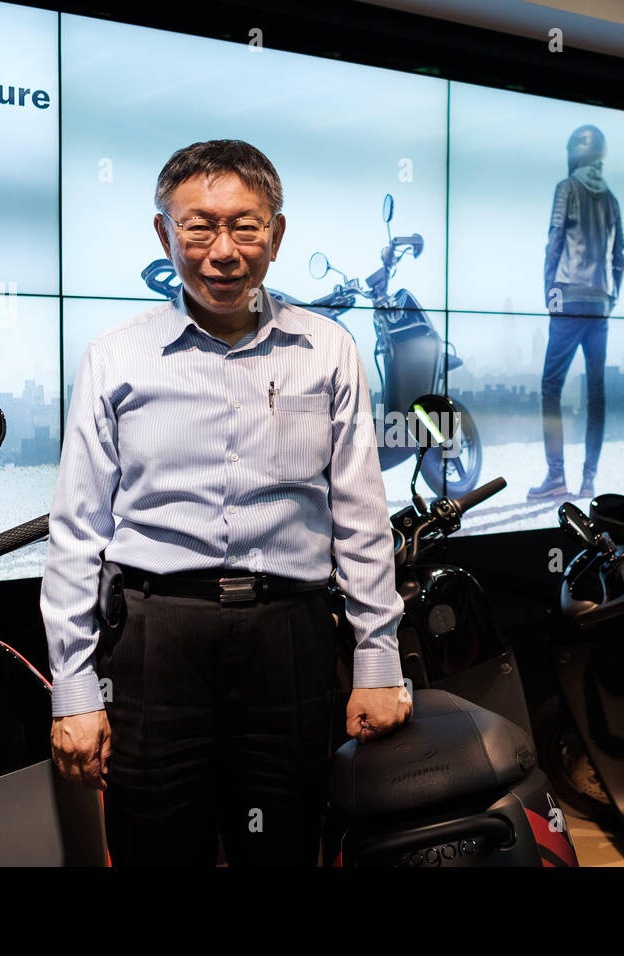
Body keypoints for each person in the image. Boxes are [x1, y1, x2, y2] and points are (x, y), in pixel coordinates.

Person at [40, 139, 411, 867]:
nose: (223, 250)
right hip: (154, 642)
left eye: (245, 225)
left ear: (276, 234)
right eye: (198, 226)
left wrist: (379, 659)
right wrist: (74, 688)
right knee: (154, 848)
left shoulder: (328, 349)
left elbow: (363, 520)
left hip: (292, 638)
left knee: (284, 847)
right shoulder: (115, 355)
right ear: (164, 234)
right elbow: (77, 531)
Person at [529, 124, 624, 501]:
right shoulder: (613, 200)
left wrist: (548, 292)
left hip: (568, 301)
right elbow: (620, 259)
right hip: (599, 306)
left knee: (550, 387)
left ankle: (556, 476)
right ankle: (589, 480)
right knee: (596, 394)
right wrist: (611, 298)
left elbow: (554, 242)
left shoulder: (566, 188)